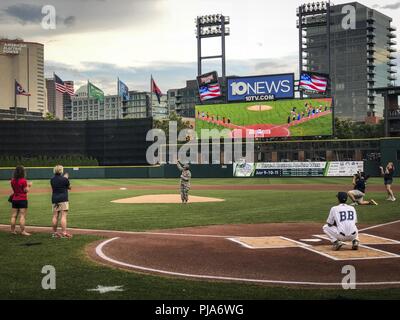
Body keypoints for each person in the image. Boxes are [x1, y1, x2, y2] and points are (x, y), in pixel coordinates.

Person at [50, 165, 72, 238]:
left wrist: (65, 178)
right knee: (63, 216)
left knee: (55, 216)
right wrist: (66, 178)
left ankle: (54, 233)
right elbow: (69, 187)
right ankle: (64, 233)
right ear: (61, 171)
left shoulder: (52, 179)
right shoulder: (64, 179)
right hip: (63, 198)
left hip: (55, 199)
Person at [10, 165, 32, 236]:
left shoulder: (12, 180)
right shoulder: (23, 180)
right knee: (22, 216)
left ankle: (12, 230)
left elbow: (14, 189)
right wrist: (29, 186)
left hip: (14, 199)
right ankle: (23, 231)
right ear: (23, 172)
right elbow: (25, 191)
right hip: (22, 199)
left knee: (14, 216)